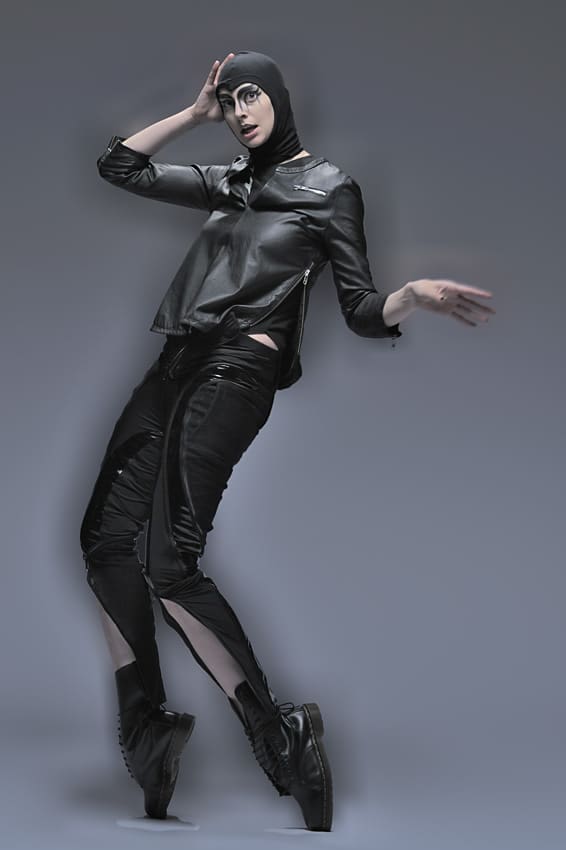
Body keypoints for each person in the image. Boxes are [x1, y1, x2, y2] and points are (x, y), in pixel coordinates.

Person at [80, 50, 495, 831]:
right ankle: (146, 727)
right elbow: (120, 167)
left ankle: (279, 736)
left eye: (251, 96)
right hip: (177, 363)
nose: (241, 111)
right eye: (229, 99)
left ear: (278, 98)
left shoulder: (329, 189)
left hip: (237, 370)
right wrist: (193, 113)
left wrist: (410, 296)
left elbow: (361, 309)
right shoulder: (231, 181)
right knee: (103, 537)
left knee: (169, 562)